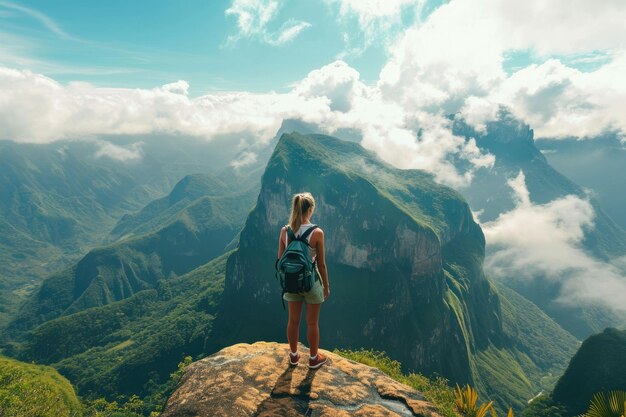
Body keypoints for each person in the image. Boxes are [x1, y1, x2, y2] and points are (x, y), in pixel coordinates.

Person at [277, 192, 330, 369]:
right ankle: (314, 358)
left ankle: (293, 356)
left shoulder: (285, 230)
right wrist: (326, 286)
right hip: (311, 283)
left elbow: (280, 260)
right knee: (312, 323)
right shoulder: (317, 232)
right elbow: (321, 264)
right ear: (310, 209)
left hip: (291, 283)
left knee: (293, 321)